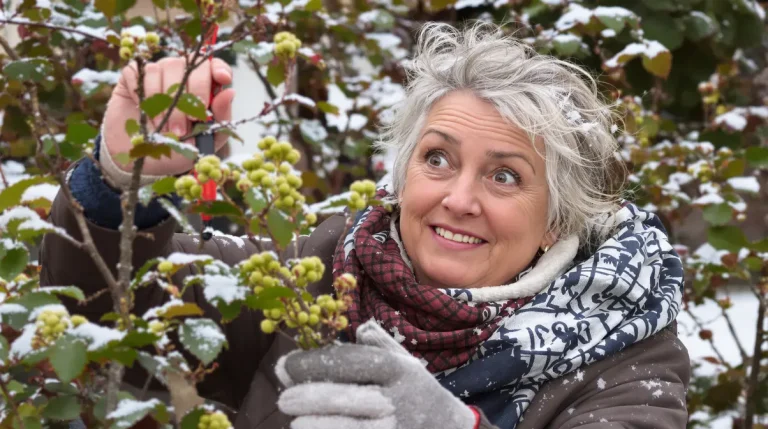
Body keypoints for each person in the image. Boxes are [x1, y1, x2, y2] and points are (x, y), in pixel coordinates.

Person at [42, 22, 690, 429]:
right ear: (403, 173)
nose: (458, 198)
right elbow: (115, 314)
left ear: (556, 219)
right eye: (437, 158)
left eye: (504, 175)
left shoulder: (622, 350)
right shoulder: (320, 269)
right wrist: (124, 182)